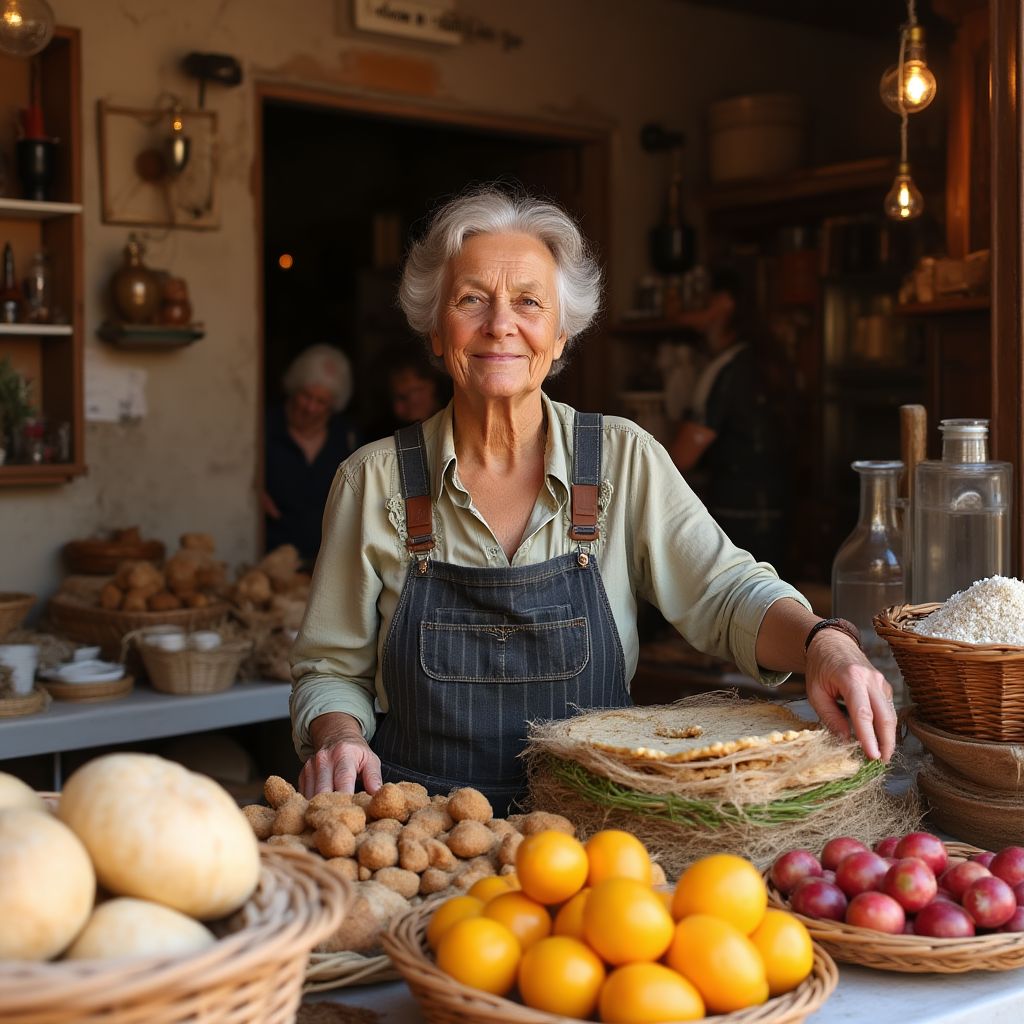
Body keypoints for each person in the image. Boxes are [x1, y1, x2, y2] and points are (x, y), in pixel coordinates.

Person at [291, 186, 896, 810]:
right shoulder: (372, 481)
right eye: (471, 300)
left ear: (558, 338)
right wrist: (338, 736)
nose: (500, 324)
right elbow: (330, 670)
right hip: (421, 837)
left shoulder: (622, 459)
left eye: (528, 302)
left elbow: (725, 593)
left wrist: (826, 642)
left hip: (595, 837)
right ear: (437, 334)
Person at [668, 268, 789, 569]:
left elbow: (682, 457)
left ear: (725, 304)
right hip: (780, 510)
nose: (693, 309)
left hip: (735, 515)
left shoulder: (725, 368)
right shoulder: (772, 361)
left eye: (705, 300)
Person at [263, 344, 362, 567]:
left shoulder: (347, 438)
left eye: (321, 402)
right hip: (270, 557)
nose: (310, 408)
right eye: (306, 396)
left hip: (328, 560)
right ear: (294, 388)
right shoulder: (264, 428)